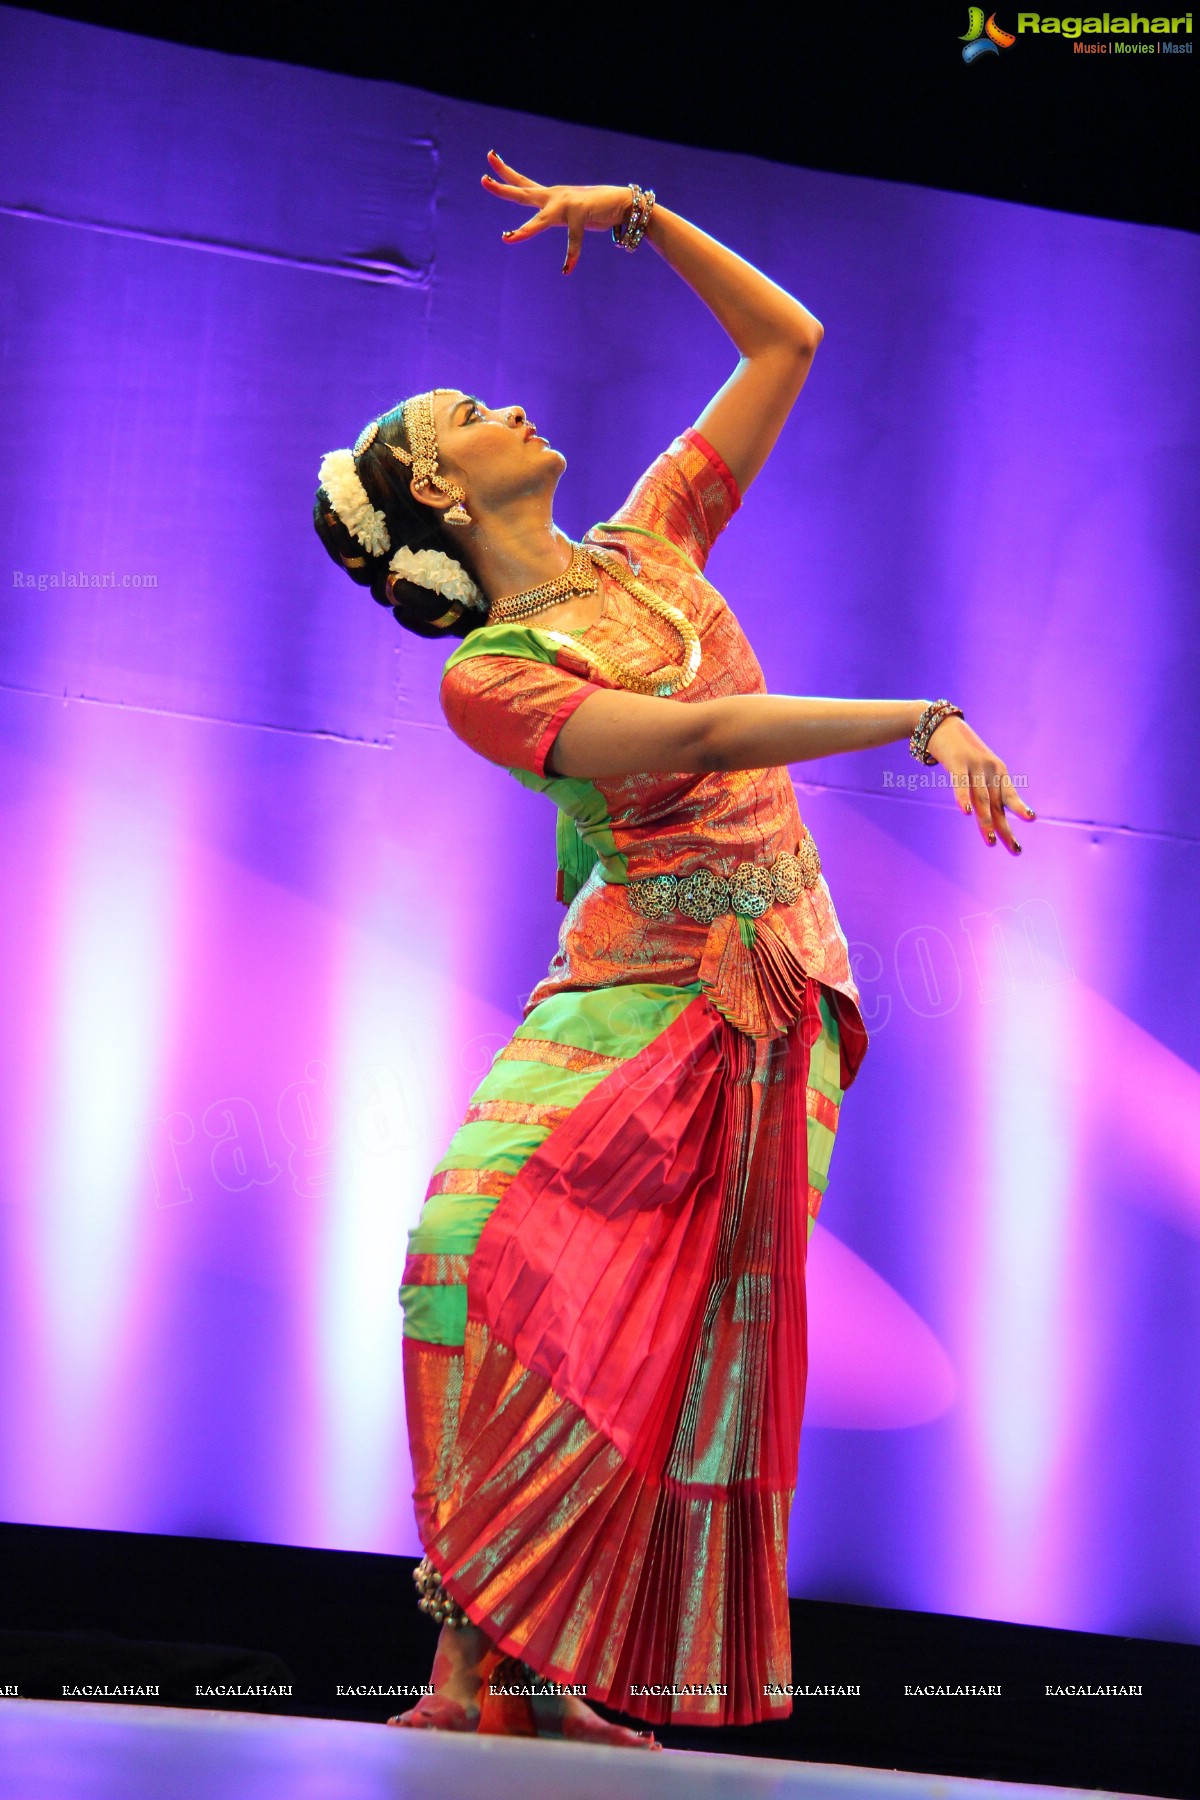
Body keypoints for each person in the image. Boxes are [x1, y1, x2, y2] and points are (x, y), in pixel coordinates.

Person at [312, 153, 1035, 1751]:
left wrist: (640, 215)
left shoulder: (652, 543)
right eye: (469, 419)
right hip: (631, 986)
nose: (503, 412)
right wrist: (918, 716)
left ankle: (546, 1675)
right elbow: (696, 732)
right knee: (473, 1263)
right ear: (445, 492)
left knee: (682, 1320)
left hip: (767, 991)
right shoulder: (493, 678)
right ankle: (473, 1655)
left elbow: (786, 345)